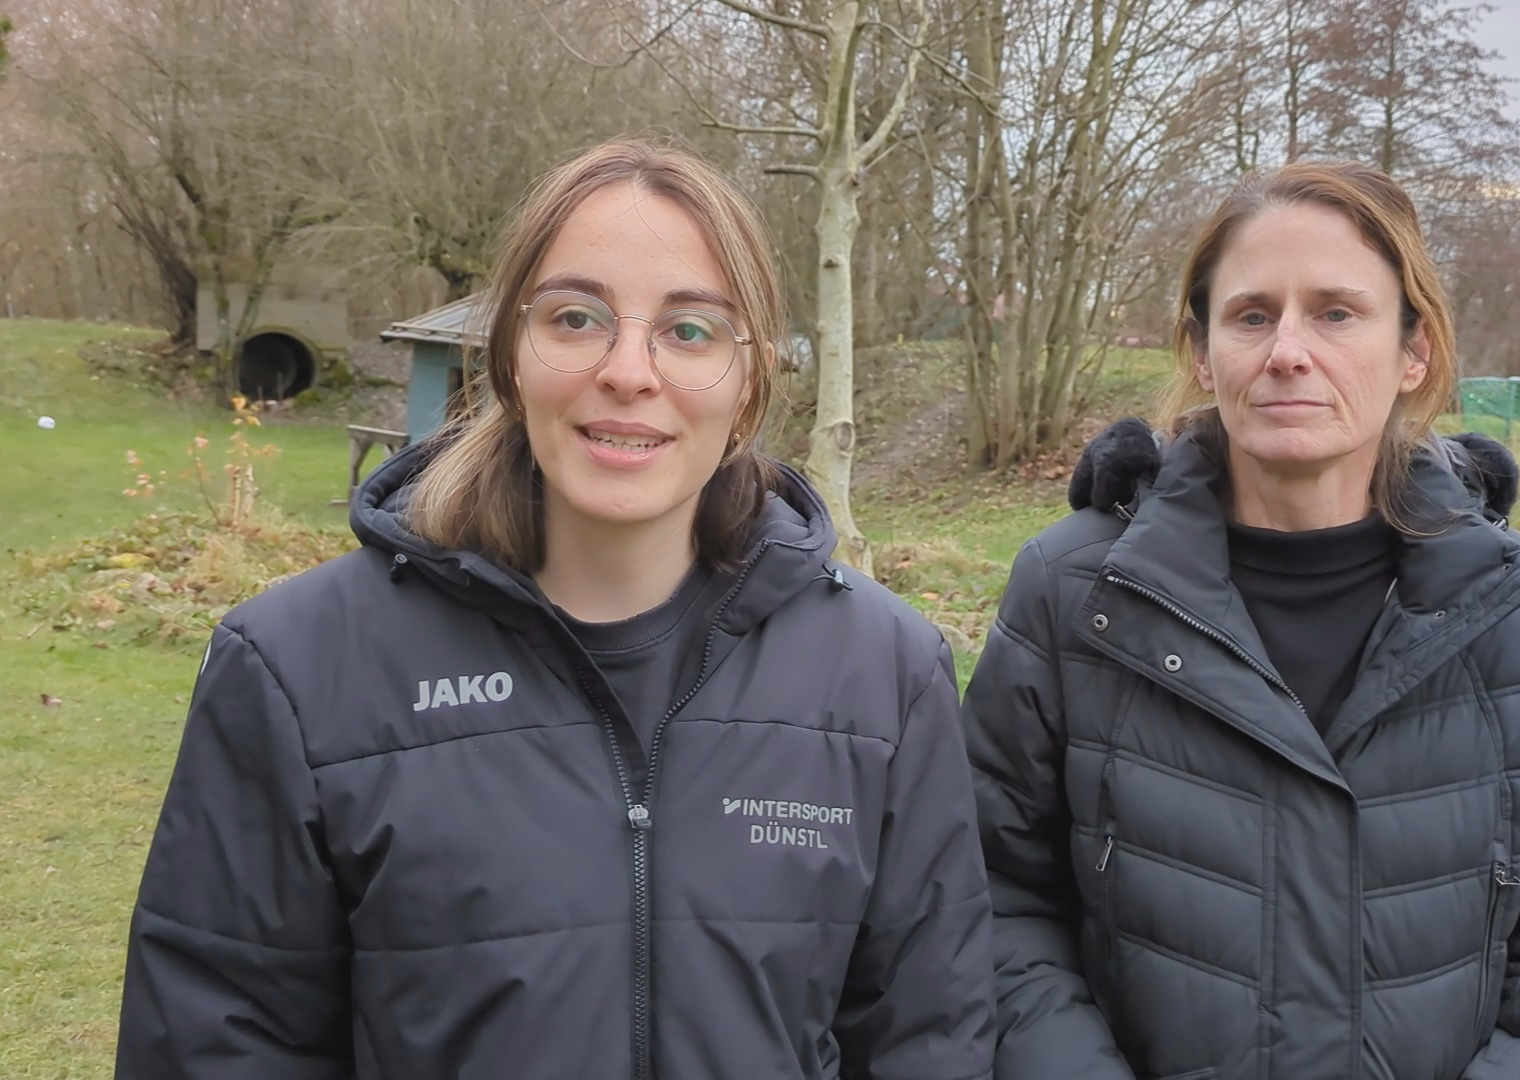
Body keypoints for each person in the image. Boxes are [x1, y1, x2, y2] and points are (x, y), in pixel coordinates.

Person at [116, 137, 994, 1080]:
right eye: (576, 318)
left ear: (751, 385)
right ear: (509, 359)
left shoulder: (885, 673)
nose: (628, 369)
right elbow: (219, 1044)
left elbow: (926, 1038)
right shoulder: (295, 669)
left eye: (690, 330)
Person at [964, 161, 1520, 1080]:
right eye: (1253, 315)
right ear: (1204, 354)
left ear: (1415, 350)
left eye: (1336, 312)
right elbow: (993, 896)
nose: (1289, 349)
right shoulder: (1072, 593)